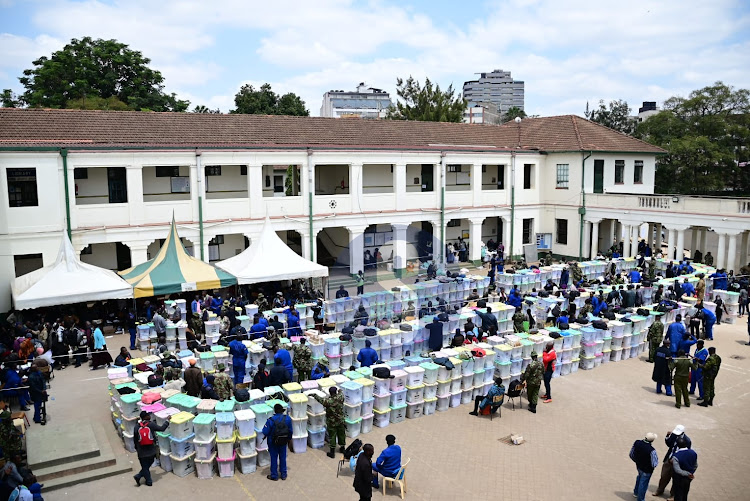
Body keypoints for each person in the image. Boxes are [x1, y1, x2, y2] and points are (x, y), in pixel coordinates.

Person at [653, 425, 691, 498]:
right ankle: (660, 490)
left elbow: (685, 452)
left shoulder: (687, 440)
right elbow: (669, 444)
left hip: (678, 463)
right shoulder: (674, 435)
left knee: (676, 479)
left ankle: (673, 495)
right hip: (669, 459)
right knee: (664, 476)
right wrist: (667, 436)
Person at [133, 410, 169, 486]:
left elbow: (135, 440)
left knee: (144, 466)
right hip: (151, 450)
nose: (150, 416)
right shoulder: (151, 424)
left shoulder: (136, 426)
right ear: (145, 417)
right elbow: (162, 429)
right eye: (148, 415)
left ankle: (143, 478)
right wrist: (167, 421)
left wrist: (137, 450)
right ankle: (146, 480)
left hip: (141, 451)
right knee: (148, 464)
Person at [261, 403, 292, 481]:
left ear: (275, 411)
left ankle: (274, 475)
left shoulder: (271, 420)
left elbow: (265, 431)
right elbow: (290, 431)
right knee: (283, 457)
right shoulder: (288, 419)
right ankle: (283, 474)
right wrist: (288, 439)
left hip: (273, 442)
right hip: (283, 441)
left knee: (274, 458)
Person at [313, 386, 346, 458]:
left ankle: (332, 452)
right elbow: (341, 392)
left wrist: (314, 395)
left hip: (332, 422)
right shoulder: (340, 397)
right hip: (340, 420)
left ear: (330, 393)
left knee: (332, 436)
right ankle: (343, 448)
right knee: (341, 434)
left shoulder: (328, 401)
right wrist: (340, 390)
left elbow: (320, 400)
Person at [629, 432, 658, 501]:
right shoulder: (652, 450)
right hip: (647, 469)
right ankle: (640, 499)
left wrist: (636, 461)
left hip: (639, 465)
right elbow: (654, 463)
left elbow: (631, 454)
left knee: (639, 478)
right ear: (652, 440)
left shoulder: (637, 443)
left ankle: (636, 492)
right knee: (643, 484)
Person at [671, 436, 697, 501]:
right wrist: (691, 473)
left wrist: (687, 474)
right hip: (688, 478)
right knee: (685, 494)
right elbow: (695, 465)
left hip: (679, 478)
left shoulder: (676, 456)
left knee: (678, 495)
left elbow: (677, 470)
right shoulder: (693, 453)